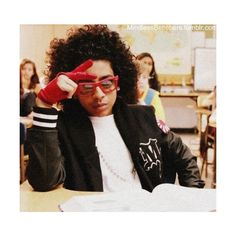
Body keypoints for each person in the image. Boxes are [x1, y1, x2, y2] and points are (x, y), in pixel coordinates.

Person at [26, 25, 204, 192]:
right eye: (87, 85)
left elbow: (183, 156)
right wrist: (43, 104)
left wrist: (192, 196)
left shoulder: (143, 117)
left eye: (107, 83)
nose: (99, 94)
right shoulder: (62, 128)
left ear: (119, 82)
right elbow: (45, 181)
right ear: (73, 89)